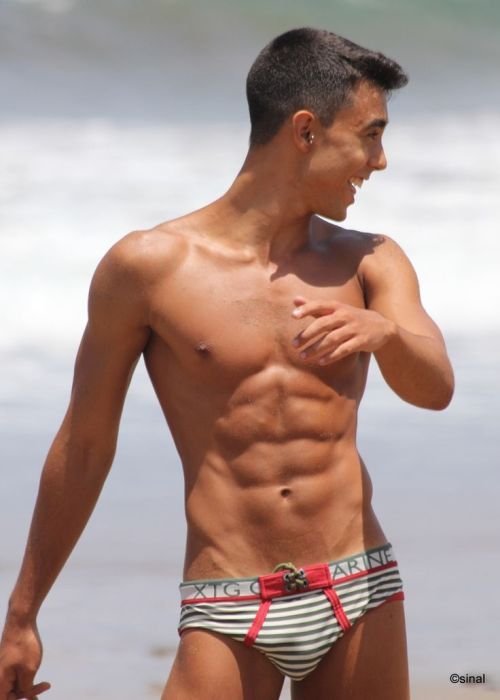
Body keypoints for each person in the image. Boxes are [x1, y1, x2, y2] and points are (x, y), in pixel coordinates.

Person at [0, 27, 454, 700]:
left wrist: (384, 334)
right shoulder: (148, 268)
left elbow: (437, 387)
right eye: (370, 134)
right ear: (305, 130)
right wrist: (23, 614)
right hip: (228, 602)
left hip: (360, 589)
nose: (380, 161)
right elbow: (86, 443)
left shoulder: (370, 259)